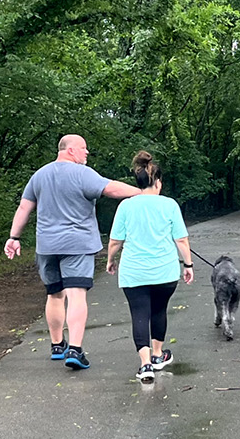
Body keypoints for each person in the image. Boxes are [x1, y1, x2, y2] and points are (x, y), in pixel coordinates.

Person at [5, 135, 140, 370]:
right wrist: (142, 193)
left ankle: (57, 345)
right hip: (77, 244)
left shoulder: (40, 175)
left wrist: (14, 237)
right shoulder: (82, 173)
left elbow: (24, 207)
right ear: (69, 151)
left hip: (47, 245)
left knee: (55, 294)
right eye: (83, 149)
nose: (87, 153)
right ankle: (75, 350)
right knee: (76, 294)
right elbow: (111, 188)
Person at [105, 150, 195, 383]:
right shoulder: (170, 205)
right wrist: (188, 264)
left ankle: (145, 365)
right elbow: (181, 240)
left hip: (134, 272)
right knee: (158, 310)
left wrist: (110, 260)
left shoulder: (126, 206)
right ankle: (157, 355)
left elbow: (115, 241)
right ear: (157, 182)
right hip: (164, 272)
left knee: (139, 313)